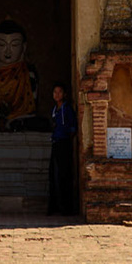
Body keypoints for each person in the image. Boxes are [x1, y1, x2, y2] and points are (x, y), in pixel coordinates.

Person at [46, 83, 78, 215]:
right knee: (53, 175)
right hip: (56, 142)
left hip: (64, 143)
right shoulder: (55, 110)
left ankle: (66, 208)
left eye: (59, 92)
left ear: (64, 94)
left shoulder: (67, 109)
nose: (57, 94)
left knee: (64, 175)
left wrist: (67, 140)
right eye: (55, 92)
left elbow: (73, 128)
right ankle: (54, 206)